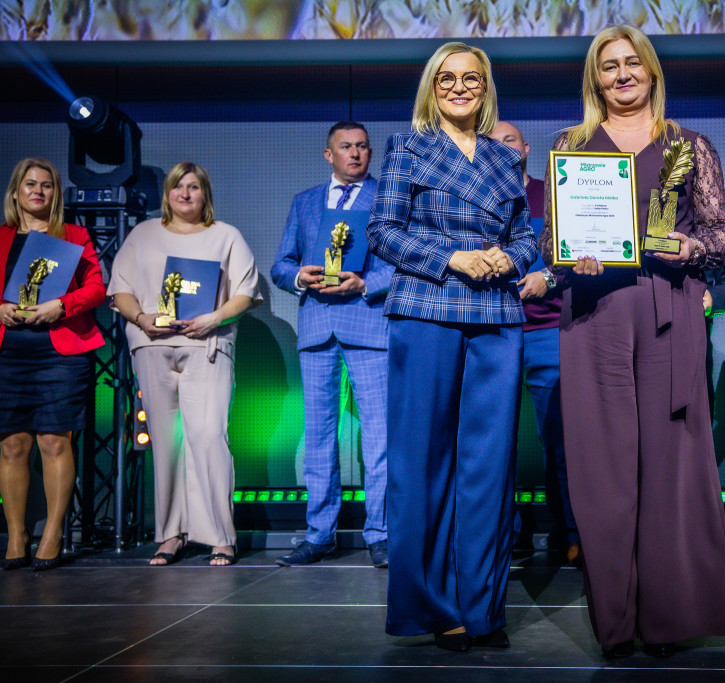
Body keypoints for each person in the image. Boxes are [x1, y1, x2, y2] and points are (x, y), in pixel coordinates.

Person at [539, 25, 725, 659]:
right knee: (602, 469)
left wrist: (692, 247)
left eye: (632, 63)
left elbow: (722, 235)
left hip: (668, 310)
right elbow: (550, 239)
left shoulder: (689, 145)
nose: (622, 74)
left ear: (651, 71)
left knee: (672, 465)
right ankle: (616, 622)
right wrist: (568, 255)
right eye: (609, 66)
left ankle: (668, 617)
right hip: (595, 312)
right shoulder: (571, 144)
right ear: (595, 80)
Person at [367, 42, 536, 652]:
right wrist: (452, 257)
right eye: (447, 79)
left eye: (471, 78)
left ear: (485, 87)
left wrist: (508, 258)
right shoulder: (406, 147)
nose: (459, 87)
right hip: (427, 311)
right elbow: (382, 231)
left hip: (496, 315)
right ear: (431, 88)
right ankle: (436, 610)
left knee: (489, 469)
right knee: (422, 464)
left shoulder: (503, 156)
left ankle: (482, 608)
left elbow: (527, 237)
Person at [108, 161, 262, 567]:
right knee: (165, 442)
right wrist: (141, 318)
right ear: (168, 194)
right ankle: (171, 534)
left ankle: (220, 536)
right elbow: (120, 290)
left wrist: (214, 318)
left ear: (205, 194)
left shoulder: (226, 236)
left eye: (194, 187)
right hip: (153, 347)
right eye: (178, 187)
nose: (185, 194)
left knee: (209, 436)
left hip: (207, 346)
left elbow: (245, 293)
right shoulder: (143, 234)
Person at [271, 121, 392, 569]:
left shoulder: (387, 197)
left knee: (379, 437)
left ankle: (381, 534)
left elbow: (402, 264)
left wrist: (366, 283)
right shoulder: (305, 202)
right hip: (318, 328)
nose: (355, 153)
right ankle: (319, 535)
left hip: (369, 326)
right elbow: (280, 265)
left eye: (362, 146)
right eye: (346, 146)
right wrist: (299, 276)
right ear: (329, 154)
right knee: (319, 438)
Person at [0, 158, 105, 571]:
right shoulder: (2, 237)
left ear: (55, 194)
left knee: (54, 441)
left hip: (60, 354)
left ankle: (53, 533)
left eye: (46, 185)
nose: (38, 191)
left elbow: (96, 288)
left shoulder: (74, 236)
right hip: (9, 354)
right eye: (30, 184)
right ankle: (16, 535)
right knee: (12, 445)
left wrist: (62, 305)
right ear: (15, 192)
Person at [488, 120, 579, 564]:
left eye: (510, 140)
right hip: (493, 331)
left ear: (525, 148)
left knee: (562, 441)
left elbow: (580, 253)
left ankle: (570, 532)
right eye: (493, 141)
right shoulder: (478, 198)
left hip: (549, 333)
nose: (503, 147)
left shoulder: (554, 193)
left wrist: (548, 277)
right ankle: (502, 535)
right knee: (493, 444)